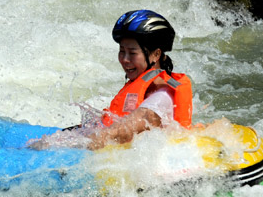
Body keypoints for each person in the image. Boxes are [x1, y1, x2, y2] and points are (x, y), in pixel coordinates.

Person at [29, 10, 192, 151]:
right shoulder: (145, 87)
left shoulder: (163, 96)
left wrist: (77, 145)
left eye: (132, 53)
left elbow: (132, 126)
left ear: (156, 55)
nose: (125, 59)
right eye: (122, 51)